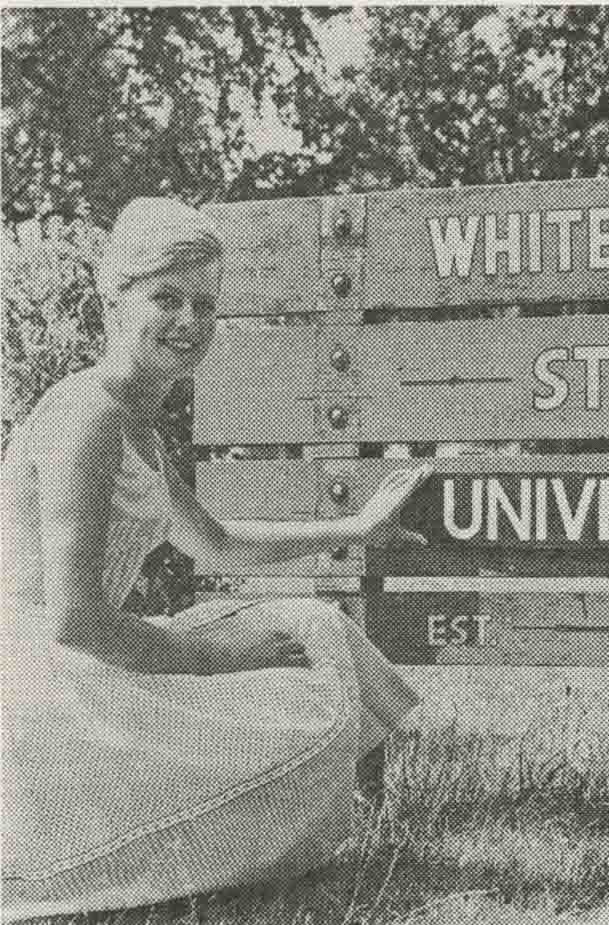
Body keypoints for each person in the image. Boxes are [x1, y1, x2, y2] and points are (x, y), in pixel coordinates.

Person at [1, 198, 433, 920]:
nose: (190, 323)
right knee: (298, 696)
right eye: (166, 298)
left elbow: (216, 543)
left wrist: (354, 528)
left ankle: (362, 818)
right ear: (111, 298)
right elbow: (74, 622)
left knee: (312, 626)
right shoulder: (89, 416)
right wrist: (219, 655)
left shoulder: (131, 417)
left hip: (86, 664)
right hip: (42, 693)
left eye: (206, 304)